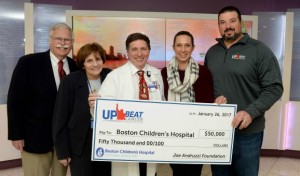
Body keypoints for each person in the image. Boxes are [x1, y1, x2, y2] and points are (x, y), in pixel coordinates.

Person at [204, 6, 283, 176]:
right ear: (218, 25)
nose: (228, 26)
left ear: (241, 23)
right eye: (223, 22)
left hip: (248, 134)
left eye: (232, 21)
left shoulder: (259, 50)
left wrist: (250, 112)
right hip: (218, 132)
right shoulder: (212, 53)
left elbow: (274, 87)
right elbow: (207, 86)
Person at [7, 23, 79, 176]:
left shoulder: (75, 67)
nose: (63, 43)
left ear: (72, 43)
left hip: (63, 140)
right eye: (58, 38)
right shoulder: (28, 63)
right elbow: (15, 99)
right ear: (50, 41)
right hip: (34, 136)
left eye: (67, 40)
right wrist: (15, 134)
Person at [89, 32, 165, 176]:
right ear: (127, 52)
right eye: (134, 49)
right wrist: (95, 105)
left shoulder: (156, 74)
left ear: (149, 50)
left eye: (143, 49)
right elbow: (102, 114)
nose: (139, 53)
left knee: (149, 172)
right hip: (125, 142)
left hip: (151, 139)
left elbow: (162, 104)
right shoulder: (115, 77)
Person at [52, 42, 112, 176]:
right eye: (89, 60)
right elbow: (60, 117)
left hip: (107, 139)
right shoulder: (70, 81)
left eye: (98, 59)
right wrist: (62, 152)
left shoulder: (111, 77)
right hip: (80, 141)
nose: (95, 64)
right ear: (82, 63)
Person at [161, 31, 214, 176]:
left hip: (196, 136)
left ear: (193, 47)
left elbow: (208, 104)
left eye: (187, 45)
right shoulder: (164, 73)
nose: (183, 49)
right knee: (177, 171)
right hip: (172, 134)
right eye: (179, 45)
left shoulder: (204, 74)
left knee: (193, 172)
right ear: (173, 47)